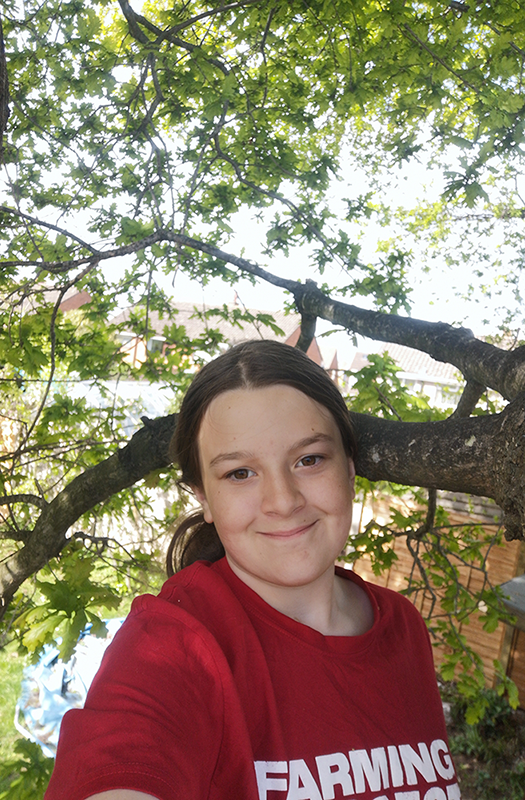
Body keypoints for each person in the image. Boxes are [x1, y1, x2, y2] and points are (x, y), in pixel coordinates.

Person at [45, 339, 461, 800]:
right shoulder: (172, 644)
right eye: (240, 473)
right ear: (203, 496)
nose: (282, 501)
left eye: (309, 460)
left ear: (349, 467)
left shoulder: (402, 624)